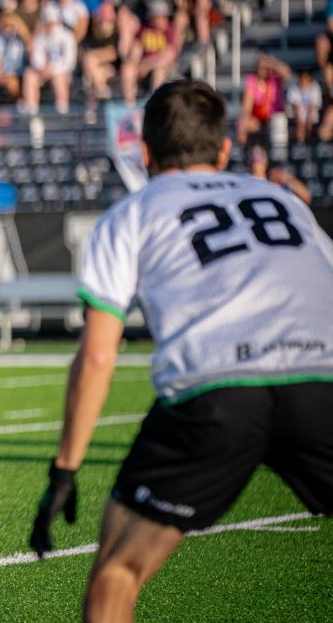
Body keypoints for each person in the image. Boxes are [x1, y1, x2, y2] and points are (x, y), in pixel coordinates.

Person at [29, 80, 333, 620]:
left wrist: (65, 470)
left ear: (144, 153)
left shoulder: (131, 214)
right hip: (322, 381)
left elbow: (98, 356)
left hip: (214, 391)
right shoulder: (286, 202)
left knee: (118, 572)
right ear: (225, 149)